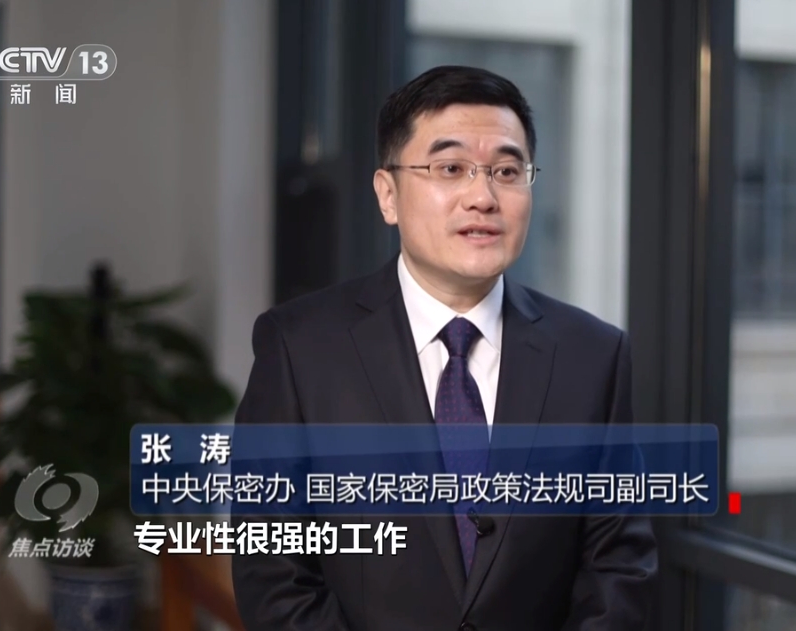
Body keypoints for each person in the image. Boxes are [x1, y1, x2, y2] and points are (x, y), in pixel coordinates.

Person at [231, 65, 658, 631]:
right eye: (450, 168)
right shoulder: (299, 348)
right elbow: (273, 571)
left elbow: (618, 568)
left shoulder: (593, 357)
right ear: (388, 195)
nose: (482, 196)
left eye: (507, 171)